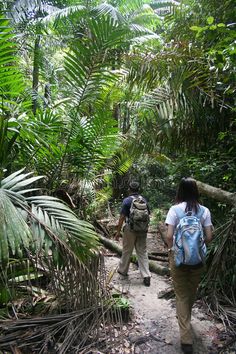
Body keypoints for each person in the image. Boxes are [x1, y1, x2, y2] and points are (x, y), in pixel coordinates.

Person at [165, 177, 213, 354]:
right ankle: (187, 322)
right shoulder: (204, 211)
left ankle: (186, 338)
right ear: (196, 191)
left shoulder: (174, 210)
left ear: (180, 191)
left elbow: (169, 236)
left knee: (181, 294)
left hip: (178, 259)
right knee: (191, 292)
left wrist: (173, 250)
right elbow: (208, 238)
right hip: (198, 260)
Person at [115, 181, 151, 286]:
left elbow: (122, 217)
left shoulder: (126, 201)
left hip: (130, 229)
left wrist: (118, 232)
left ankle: (123, 271)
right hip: (142, 230)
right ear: (139, 189)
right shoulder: (144, 200)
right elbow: (148, 215)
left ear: (129, 189)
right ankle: (146, 275)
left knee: (127, 250)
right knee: (142, 252)